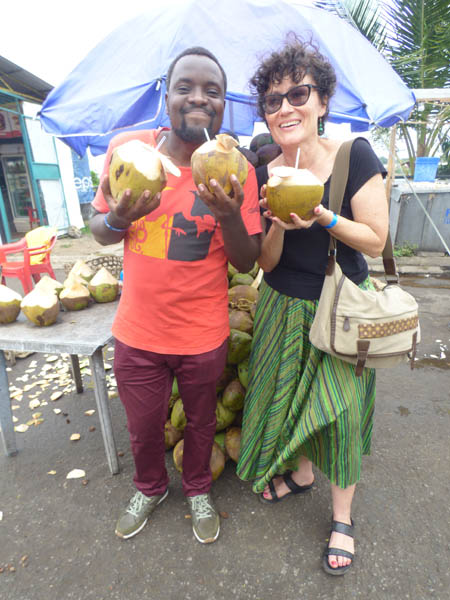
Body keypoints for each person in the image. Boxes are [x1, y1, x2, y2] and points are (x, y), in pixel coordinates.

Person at [90, 47, 261, 544]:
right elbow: (98, 229)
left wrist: (228, 212)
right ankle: (149, 487)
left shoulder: (236, 169)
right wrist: (120, 217)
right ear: (166, 95)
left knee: (202, 423)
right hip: (138, 332)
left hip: (203, 333)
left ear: (224, 105)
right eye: (185, 86)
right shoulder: (129, 151)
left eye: (213, 91)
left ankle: (199, 489)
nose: (198, 98)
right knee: (144, 428)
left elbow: (246, 261)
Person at [236, 38, 388, 575]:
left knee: (341, 414)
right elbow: (269, 263)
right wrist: (277, 220)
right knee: (291, 402)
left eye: (298, 93)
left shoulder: (355, 155)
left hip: (344, 308)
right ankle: (301, 474)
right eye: (273, 102)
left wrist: (322, 215)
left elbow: (373, 239)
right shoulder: (266, 171)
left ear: (322, 100)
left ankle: (343, 517)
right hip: (284, 306)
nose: (285, 108)